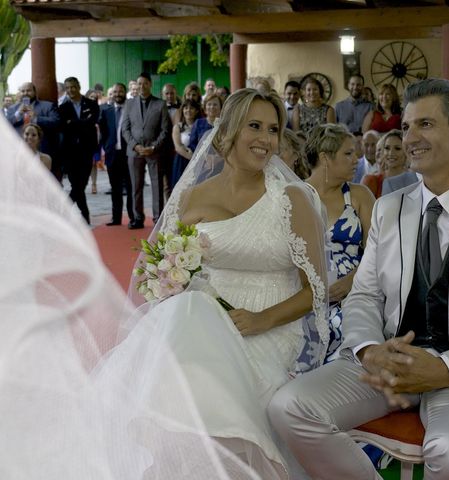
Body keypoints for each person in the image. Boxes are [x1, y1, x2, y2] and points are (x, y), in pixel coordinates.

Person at [269, 78, 449, 480]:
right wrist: (369, 350)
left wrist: (446, 369)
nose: (410, 138)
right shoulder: (389, 208)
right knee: (289, 408)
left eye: (425, 125)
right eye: (406, 127)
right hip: (390, 362)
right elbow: (364, 294)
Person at [0, 112, 262, 480]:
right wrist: (170, 276)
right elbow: (173, 247)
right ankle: (162, 437)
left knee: (184, 331)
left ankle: (189, 437)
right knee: (174, 332)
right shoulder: (195, 197)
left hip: (244, 299)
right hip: (202, 296)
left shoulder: (278, 197)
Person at [133, 87, 329, 477]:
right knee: (187, 324)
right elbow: (157, 269)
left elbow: (316, 292)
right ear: (227, 132)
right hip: (204, 319)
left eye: (273, 129)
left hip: (268, 324)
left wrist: (261, 320)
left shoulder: (292, 199)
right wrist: (168, 281)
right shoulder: (191, 197)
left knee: (205, 382)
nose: (266, 139)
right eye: (254, 126)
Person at [304, 123, 375, 361]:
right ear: (325, 158)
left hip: (353, 294)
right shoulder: (295, 196)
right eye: (348, 153)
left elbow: (380, 250)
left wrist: (351, 281)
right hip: (305, 297)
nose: (357, 159)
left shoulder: (359, 195)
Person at [121, 72, 172, 228]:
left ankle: (158, 219)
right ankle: (137, 218)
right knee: (136, 186)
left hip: (154, 151)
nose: (142, 86)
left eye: (145, 83)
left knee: (157, 185)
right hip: (134, 151)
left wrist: (153, 147)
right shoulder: (129, 104)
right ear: (136, 85)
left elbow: (165, 129)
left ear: (150, 84)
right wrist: (135, 146)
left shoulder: (160, 104)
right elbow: (125, 129)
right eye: (139, 84)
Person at [58, 76, 101, 224]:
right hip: (69, 152)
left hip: (86, 150)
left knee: (81, 183)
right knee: (76, 184)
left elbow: (91, 122)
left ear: (79, 87)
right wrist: (81, 123)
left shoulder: (91, 104)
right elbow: (63, 127)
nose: (70, 90)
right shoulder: (62, 108)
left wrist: (73, 123)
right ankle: (85, 215)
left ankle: (64, 208)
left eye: (73, 87)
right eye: (68, 88)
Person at [7, 81, 60, 179]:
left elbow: (56, 122)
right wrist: (18, 114)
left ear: (35, 92)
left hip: (42, 150)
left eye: (28, 90)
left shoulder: (47, 106)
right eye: (23, 91)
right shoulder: (13, 109)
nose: (25, 93)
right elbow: (6, 125)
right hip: (19, 151)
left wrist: (36, 118)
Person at [98, 82, 134, 226]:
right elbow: (103, 131)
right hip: (113, 154)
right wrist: (106, 148)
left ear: (125, 93)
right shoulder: (106, 110)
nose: (118, 94)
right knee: (115, 188)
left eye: (120, 91)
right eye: (115, 92)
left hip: (129, 153)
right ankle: (116, 218)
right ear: (111, 94)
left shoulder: (131, 110)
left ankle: (134, 217)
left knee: (131, 187)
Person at [171, 99, 202, 187]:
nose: (188, 110)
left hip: (200, 160)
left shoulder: (202, 125)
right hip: (182, 161)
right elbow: (178, 147)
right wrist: (193, 159)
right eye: (186, 108)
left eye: (191, 108)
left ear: (196, 111)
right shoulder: (178, 127)